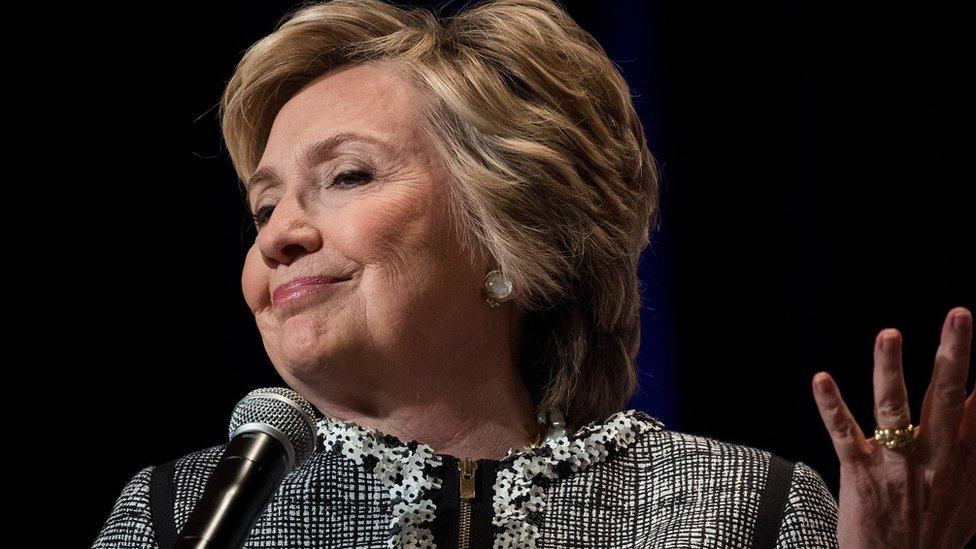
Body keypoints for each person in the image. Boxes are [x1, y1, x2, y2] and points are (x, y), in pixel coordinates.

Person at [92, 0, 975, 547]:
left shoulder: (744, 509)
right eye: (262, 207)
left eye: (347, 175)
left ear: (512, 230)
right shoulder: (179, 516)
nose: (280, 233)